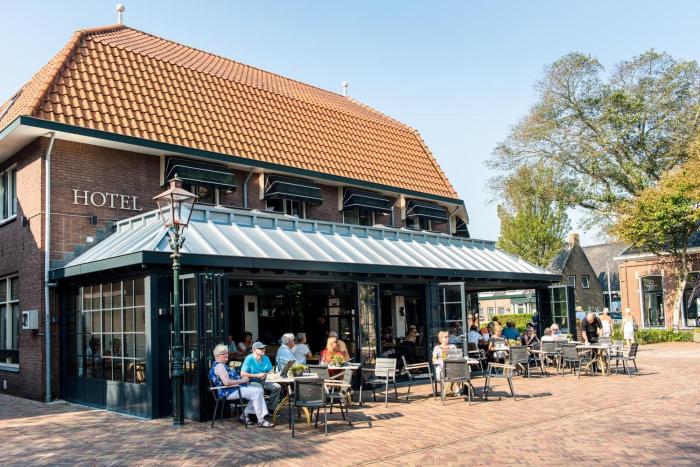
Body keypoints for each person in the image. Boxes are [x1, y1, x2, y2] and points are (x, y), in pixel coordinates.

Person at [209, 344, 273, 428]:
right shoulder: (220, 366)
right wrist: (243, 380)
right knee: (257, 392)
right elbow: (227, 382)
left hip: (234, 388)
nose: (226, 355)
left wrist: (242, 381)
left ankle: (244, 415)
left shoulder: (221, 365)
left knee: (259, 390)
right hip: (228, 391)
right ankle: (261, 420)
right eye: (223, 354)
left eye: (227, 353)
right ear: (217, 356)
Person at [240, 342, 281, 411]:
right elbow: (242, 374)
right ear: (254, 350)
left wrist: (266, 375)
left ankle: (271, 409)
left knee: (277, 387)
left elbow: (270, 371)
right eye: (260, 348)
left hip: (265, 380)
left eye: (263, 348)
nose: (263, 350)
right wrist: (257, 376)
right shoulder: (249, 359)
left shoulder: (266, 358)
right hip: (252, 382)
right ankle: (258, 411)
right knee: (260, 389)